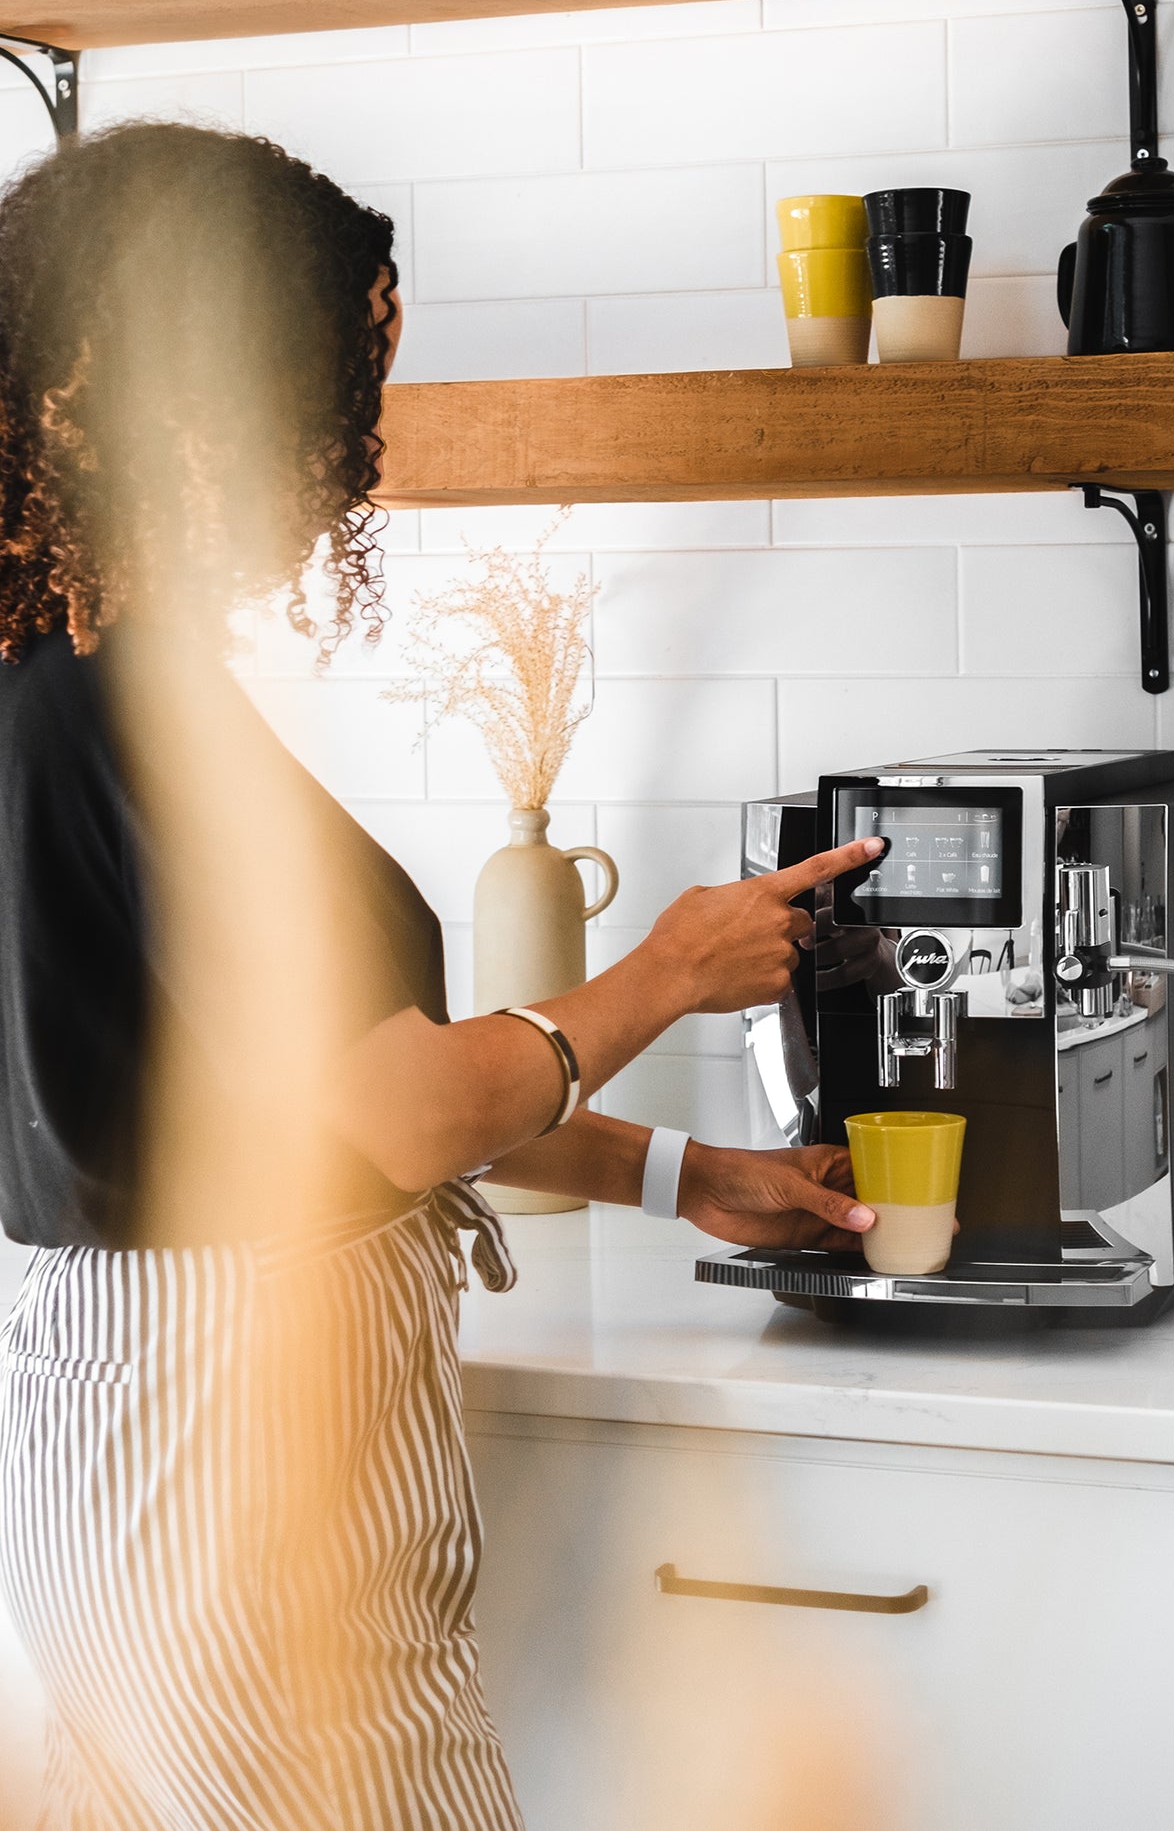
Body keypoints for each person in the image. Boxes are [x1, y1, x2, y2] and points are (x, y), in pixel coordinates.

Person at [0, 122, 877, 1831]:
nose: (354, 456)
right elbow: (407, 1110)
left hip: (101, 1465)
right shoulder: (129, 713)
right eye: (342, 381)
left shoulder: (49, 680)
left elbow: (303, 1094)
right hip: (245, 1478)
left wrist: (685, 1175)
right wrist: (669, 967)